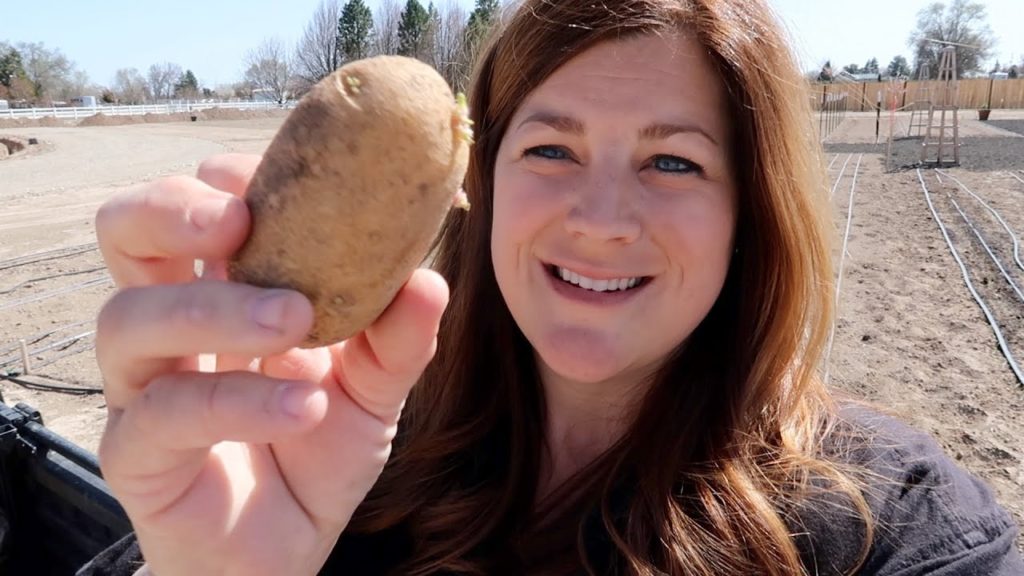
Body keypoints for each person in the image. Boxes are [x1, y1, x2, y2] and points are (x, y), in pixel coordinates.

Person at [78, 0, 1023, 574]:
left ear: (751, 213)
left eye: (676, 164)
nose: (602, 217)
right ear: (478, 187)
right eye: (550, 148)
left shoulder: (883, 528)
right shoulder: (318, 458)